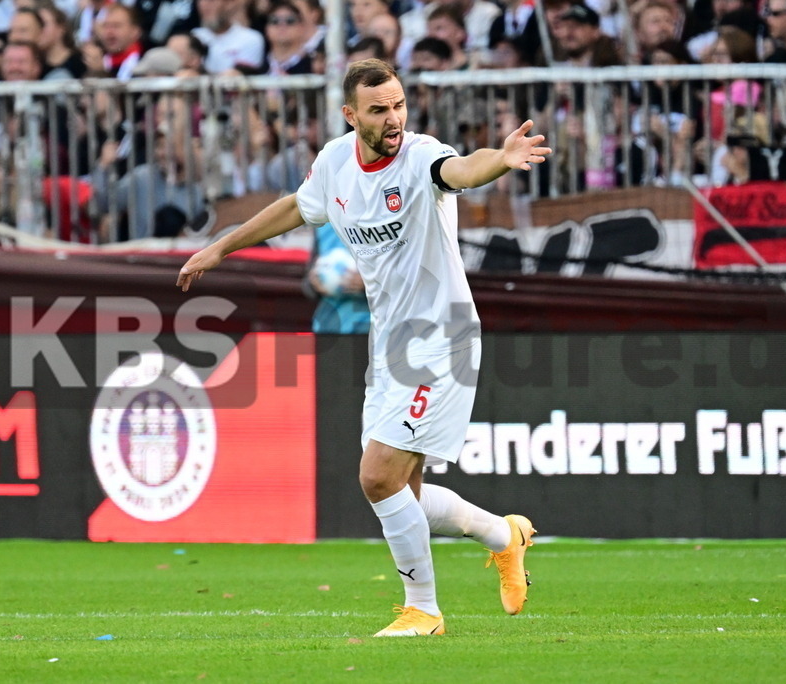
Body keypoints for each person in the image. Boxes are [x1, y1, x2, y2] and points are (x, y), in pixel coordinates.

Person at [176, 58, 551, 637]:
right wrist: (223, 247)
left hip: (440, 336)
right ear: (351, 116)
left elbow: (460, 170)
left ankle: (422, 610)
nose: (394, 117)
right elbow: (297, 208)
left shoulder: (421, 154)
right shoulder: (334, 164)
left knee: (376, 477)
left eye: (399, 104)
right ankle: (507, 536)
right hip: (390, 344)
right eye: (379, 109)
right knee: (403, 494)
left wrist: (498, 161)